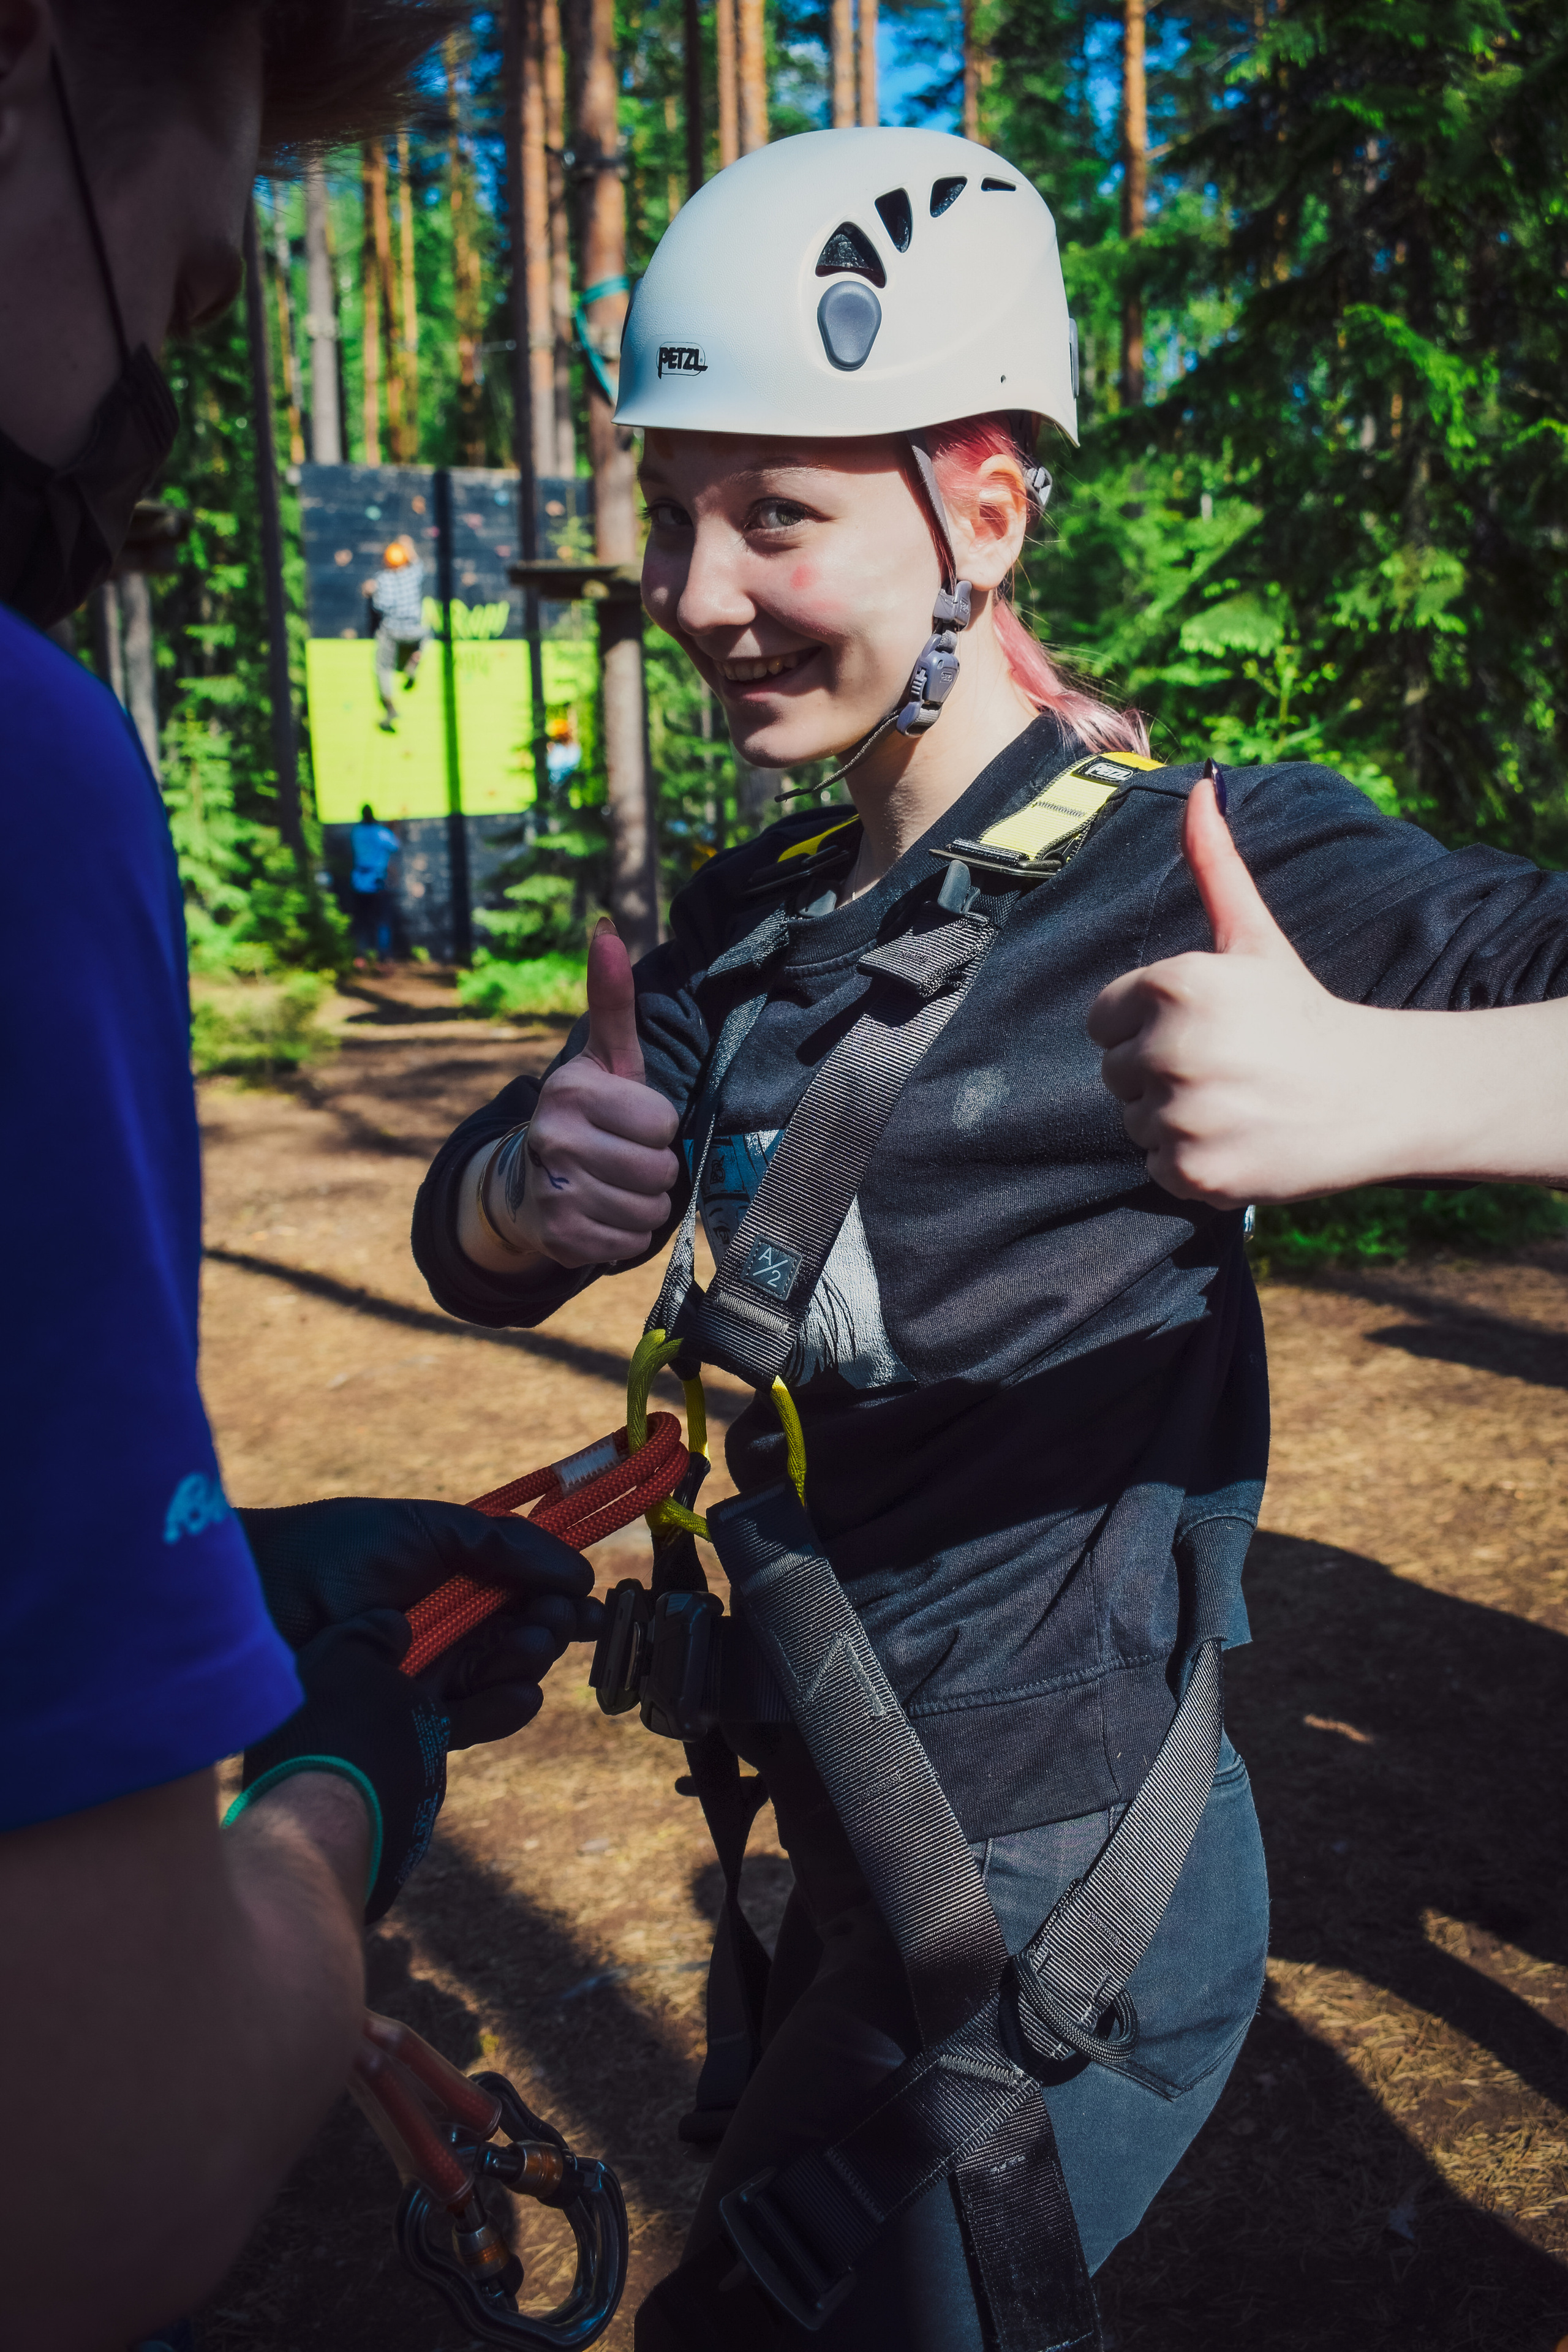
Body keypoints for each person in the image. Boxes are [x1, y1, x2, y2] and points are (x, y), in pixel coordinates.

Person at [410, 124, 1568, 2352]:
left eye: (774, 512)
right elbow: (472, 1240)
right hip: (850, 1842)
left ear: (987, 511)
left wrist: (1408, 1094)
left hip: (1052, 1904)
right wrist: (517, 1191)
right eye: (671, 511)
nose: (690, 590)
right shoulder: (758, 923)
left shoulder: (1210, 868)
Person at [0, 6, 601, 2345]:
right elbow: (87, 2170)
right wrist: (340, 1782)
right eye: (167, 296)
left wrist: (222, 1577)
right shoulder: (27, 780)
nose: (135, 417)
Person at [368, 532, 427, 730]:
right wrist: (409, 546)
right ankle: (415, 659)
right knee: (427, 635)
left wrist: (371, 591)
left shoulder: (382, 580)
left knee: (382, 667)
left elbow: (380, 606)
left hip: (392, 630)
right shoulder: (412, 574)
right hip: (414, 630)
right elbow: (419, 564)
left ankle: (390, 707)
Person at [350, 797, 400, 965]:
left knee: (362, 920)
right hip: (377, 882)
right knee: (382, 921)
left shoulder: (357, 832)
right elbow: (394, 846)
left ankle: (361, 955)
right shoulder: (381, 833)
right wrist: (392, 828)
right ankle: (383, 958)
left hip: (359, 882)